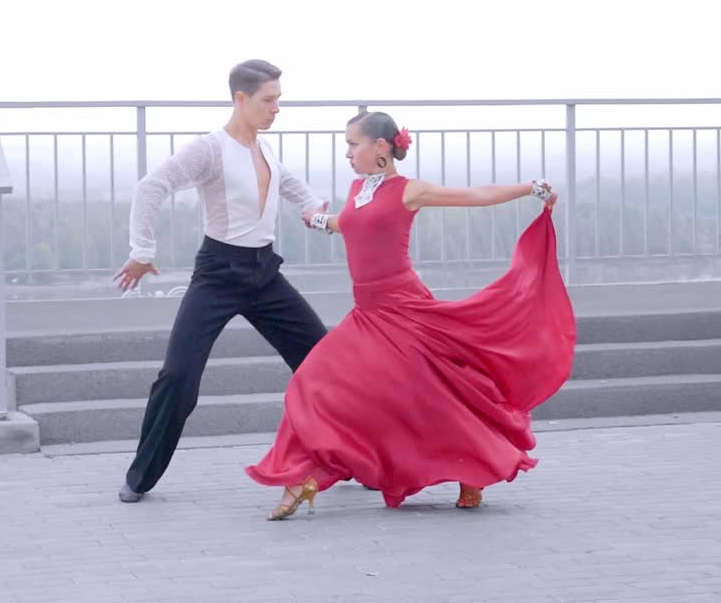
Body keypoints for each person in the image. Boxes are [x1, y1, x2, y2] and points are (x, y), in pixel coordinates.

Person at [245, 110, 576, 519]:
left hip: (404, 309)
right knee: (316, 386)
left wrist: (531, 187)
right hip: (368, 313)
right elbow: (353, 225)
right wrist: (319, 221)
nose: (347, 153)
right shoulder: (357, 189)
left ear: (381, 147)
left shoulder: (409, 190)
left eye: (353, 144)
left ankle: (471, 471)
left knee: (434, 395)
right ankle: (302, 478)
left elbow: (473, 195)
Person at [114, 59, 330, 503]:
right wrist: (142, 252)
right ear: (241, 98)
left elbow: (291, 186)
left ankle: (352, 458)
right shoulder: (210, 149)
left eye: (278, 100)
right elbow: (151, 187)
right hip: (218, 274)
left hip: (265, 274)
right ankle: (140, 476)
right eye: (269, 100)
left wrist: (313, 209)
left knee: (324, 362)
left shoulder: (265, 149)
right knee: (178, 376)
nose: (276, 109)